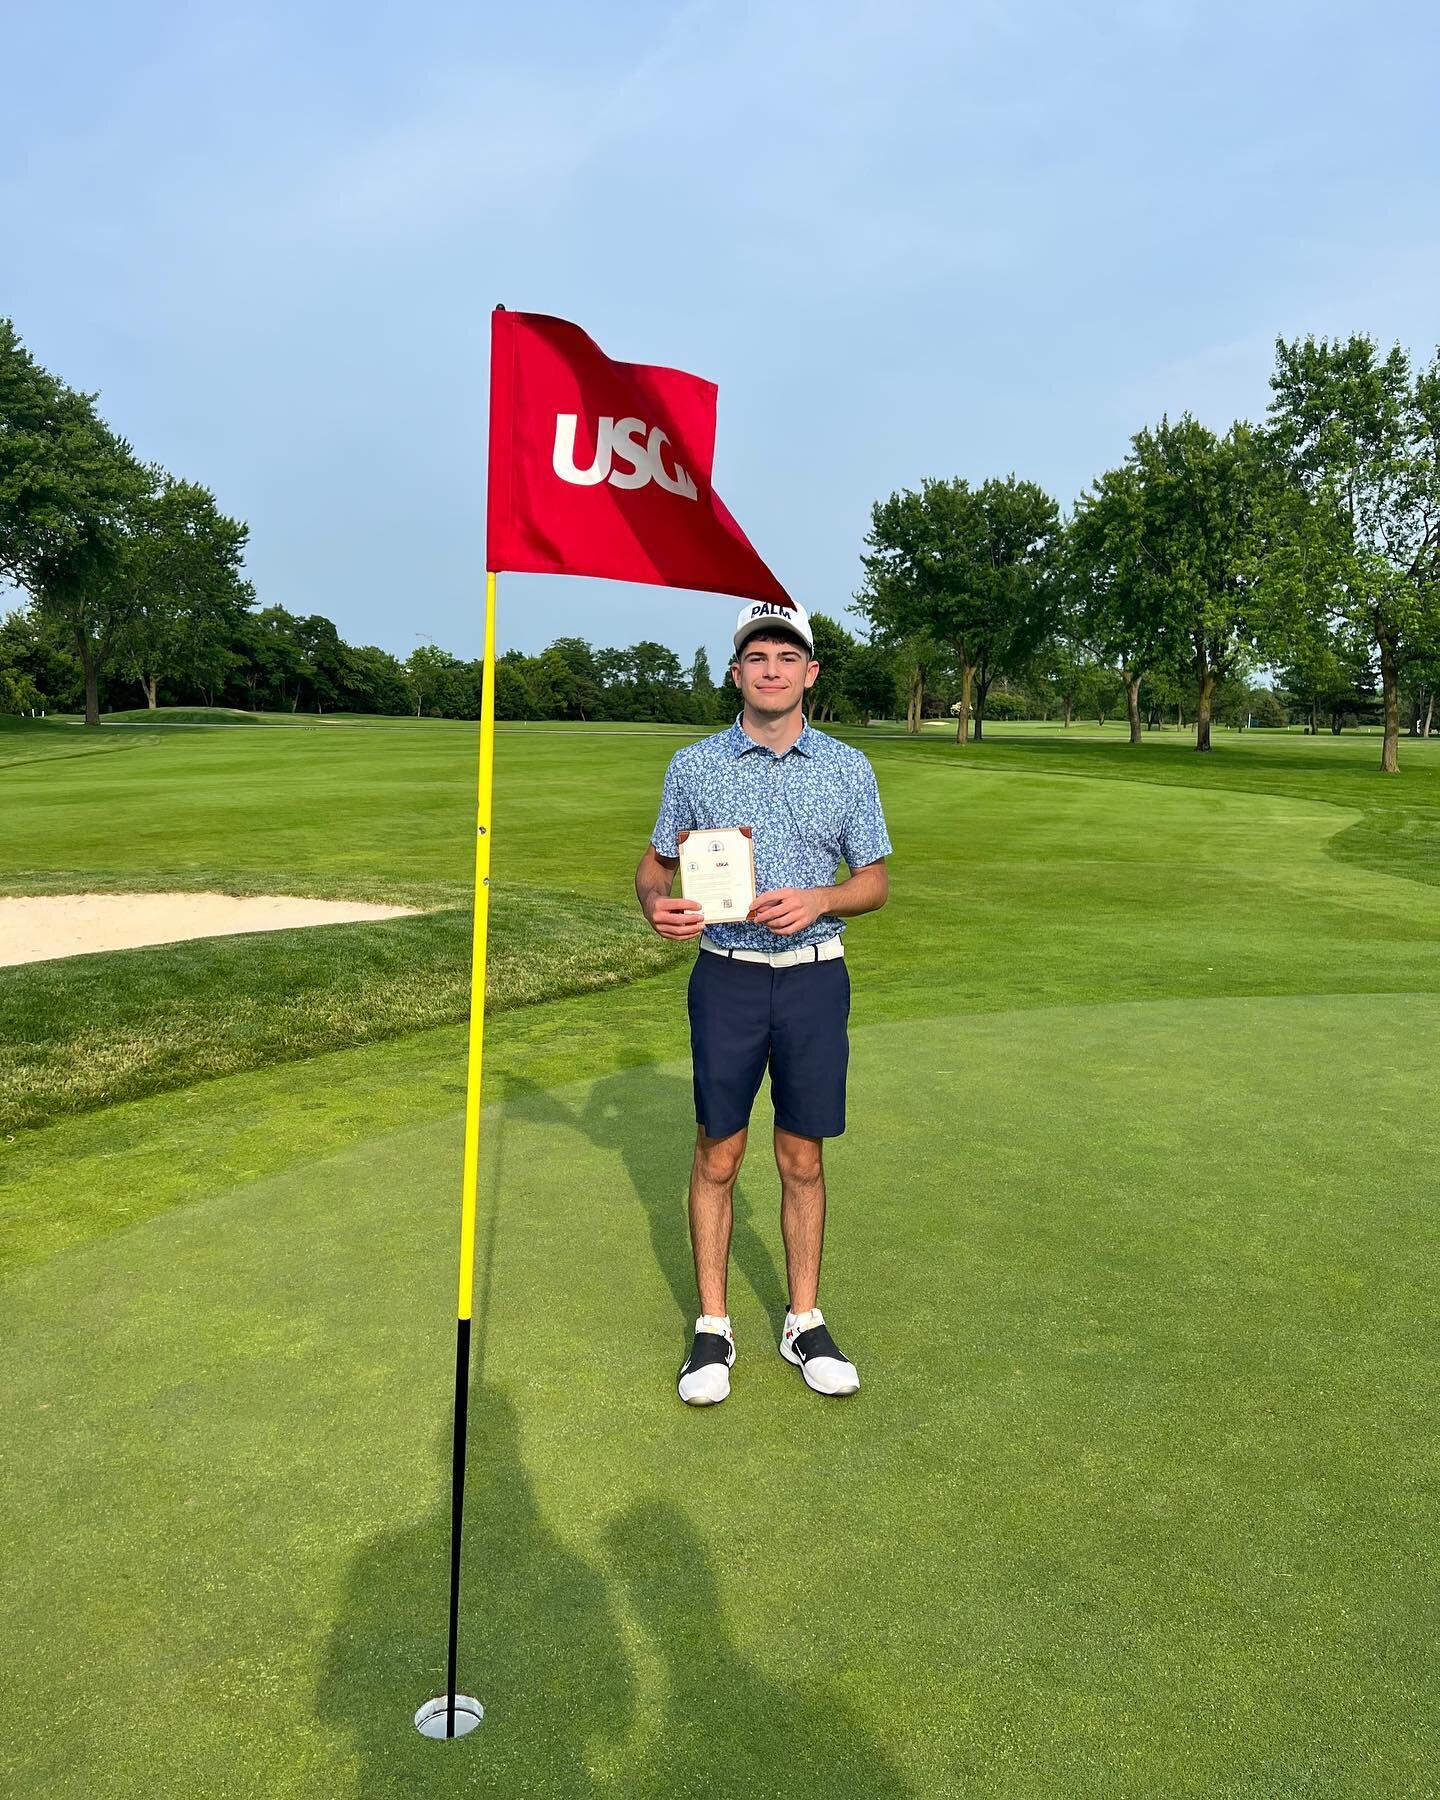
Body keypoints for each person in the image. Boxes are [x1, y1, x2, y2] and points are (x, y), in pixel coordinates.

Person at [634, 599, 892, 1406]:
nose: (772, 669)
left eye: (787, 657)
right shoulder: (694, 765)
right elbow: (653, 868)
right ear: (736, 673)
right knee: (719, 1152)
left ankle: (803, 1318)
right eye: (757, 657)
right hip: (728, 974)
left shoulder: (849, 767)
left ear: (809, 674)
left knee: (802, 1157)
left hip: (815, 974)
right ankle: (714, 1326)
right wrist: (654, 905)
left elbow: (874, 881)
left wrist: (823, 897)